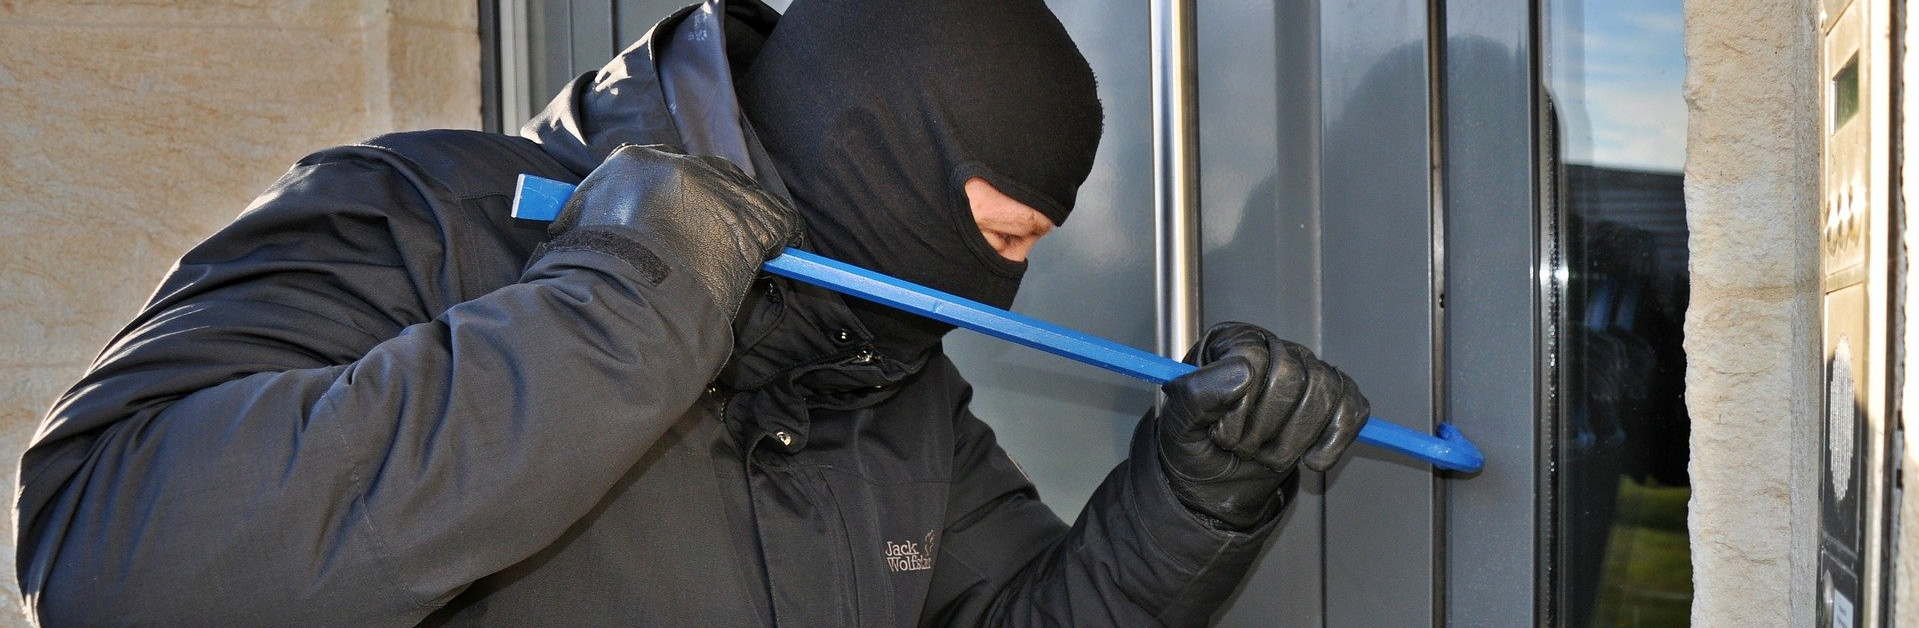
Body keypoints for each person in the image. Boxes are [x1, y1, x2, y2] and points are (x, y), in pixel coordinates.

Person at [14, 0, 1370, 625]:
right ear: (875, 155)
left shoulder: (892, 388)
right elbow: (107, 564)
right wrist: (628, 306)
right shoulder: (426, 215)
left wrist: (1194, 500)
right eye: (1003, 233)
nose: (1003, 283)